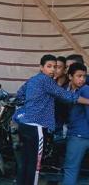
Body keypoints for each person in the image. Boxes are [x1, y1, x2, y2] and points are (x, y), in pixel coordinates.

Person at [14, 54, 89, 185]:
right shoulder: (47, 81)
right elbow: (66, 96)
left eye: (55, 67)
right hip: (36, 127)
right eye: (49, 66)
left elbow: (19, 95)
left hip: (25, 125)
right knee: (35, 165)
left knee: (25, 161)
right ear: (41, 67)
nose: (53, 70)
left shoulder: (33, 79)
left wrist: (32, 104)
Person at [62, 63, 89, 185]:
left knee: (70, 169)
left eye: (84, 76)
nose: (82, 79)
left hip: (79, 136)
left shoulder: (85, 89)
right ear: (70, 76)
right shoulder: (69, 90)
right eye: (79, 76)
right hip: (76, 134)